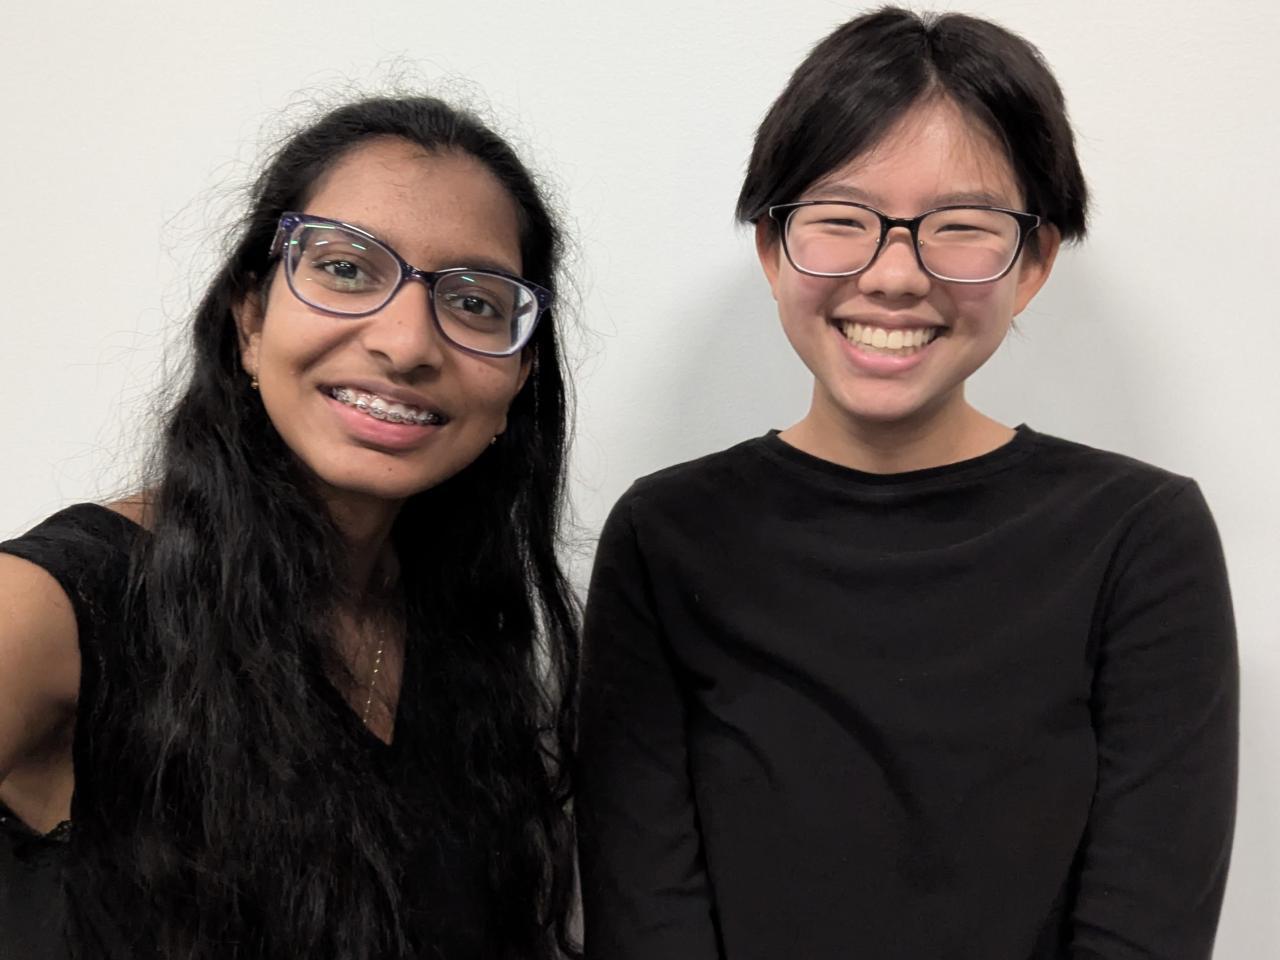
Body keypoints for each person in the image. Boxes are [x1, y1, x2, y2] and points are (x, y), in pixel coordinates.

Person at [577, 8, 1238, 960]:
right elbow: (645, 915)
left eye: (960, 227)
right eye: (841, 220)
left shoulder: (1139, 536)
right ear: (771, 249)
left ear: (1034, 262)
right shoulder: (667, 532)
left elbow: (1147, 924)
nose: (894, 275)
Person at [0, 96, 580, 960]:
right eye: (346, 268)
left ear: (518, 377)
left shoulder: (463, 632)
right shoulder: (55, 604)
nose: (407, 344)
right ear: (251, 319)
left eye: (474, 302)